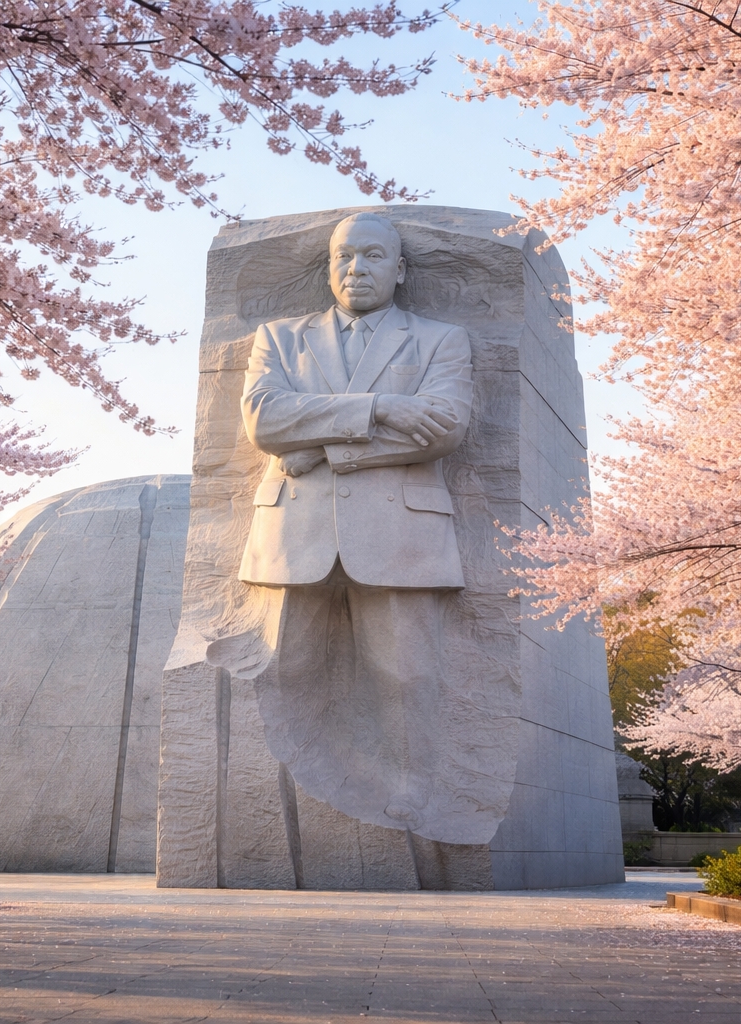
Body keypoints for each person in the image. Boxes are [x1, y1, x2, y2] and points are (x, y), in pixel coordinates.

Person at [238, 212, 473, 832]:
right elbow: (264, 421)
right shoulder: (281, 337)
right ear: (327, 268)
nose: (355, 269)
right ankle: (282, 785)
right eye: (343, 257)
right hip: (295, 530)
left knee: (405, 671)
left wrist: (321, 446)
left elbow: (446, 426)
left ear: (400, 269)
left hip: (401, 531)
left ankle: (412, 786)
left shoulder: (439, 339)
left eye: (372, 257)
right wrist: (381, 408)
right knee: (283, 664)